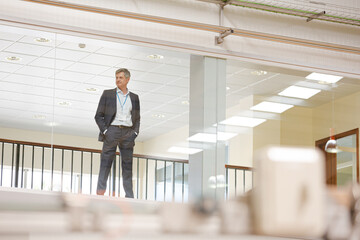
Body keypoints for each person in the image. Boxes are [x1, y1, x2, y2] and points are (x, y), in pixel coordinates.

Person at [95, 68, 140, 198]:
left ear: (127, 79)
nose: (117, 80)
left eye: (120, 77)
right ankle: (100, 193)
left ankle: (129, 196)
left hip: (128, 132)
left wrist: (135, 133)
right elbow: (98, 116)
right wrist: (106, 131)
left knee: (127, 165)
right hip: (112, 131)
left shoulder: (134, 98)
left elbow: (137, 118)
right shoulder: (108, 94)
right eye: (116, 77)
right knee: (105, 162)